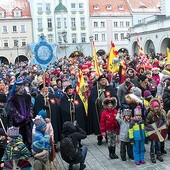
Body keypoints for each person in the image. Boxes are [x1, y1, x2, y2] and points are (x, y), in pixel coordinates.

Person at [88, 74, 119, 145]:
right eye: (101, 80)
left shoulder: (110, 88)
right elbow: (91, 99)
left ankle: (108, 137)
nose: (103, 81)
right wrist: (96, 100)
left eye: (104, 80)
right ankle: (99, 138)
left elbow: (115, 97)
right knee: (99, 123)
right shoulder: (94, 89)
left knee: (108, 123)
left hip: (108, 110)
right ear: (98, 81)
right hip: (99, 110)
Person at [8, 78, 33, 151]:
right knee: (19, 138)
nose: (23, 89)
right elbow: (13, 110)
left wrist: (29, 115)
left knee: (28, 137)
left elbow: (30, 107)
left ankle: (28, 150)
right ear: (18, 88)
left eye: (23, 87)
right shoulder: (13, 98)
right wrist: (21, 118)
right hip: (18, 123)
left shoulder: (27, 97)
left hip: (27, 122)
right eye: (21, 87)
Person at [145, 98, 165, 163]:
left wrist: (163, 127)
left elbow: (164, 121)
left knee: (158, 144)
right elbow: (147, 123)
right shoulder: (150, 114)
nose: (156, 108)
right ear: (152, 107)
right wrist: (151, 129)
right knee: (153, 144)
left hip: (159, 131)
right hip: (153, 132)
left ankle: (158, 154)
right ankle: (152, 156)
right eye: (155, 106)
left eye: (157, 106)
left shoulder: (161, 113)